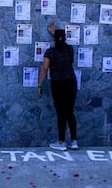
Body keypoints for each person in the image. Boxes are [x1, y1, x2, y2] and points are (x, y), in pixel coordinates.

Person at [38, 22, 79, 151]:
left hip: (58, 84)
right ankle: (74, 141)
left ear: (54, 39)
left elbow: (45, 69)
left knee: (61, 113)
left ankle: (61, 142)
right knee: (70, 112)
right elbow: (63, 45)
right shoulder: (70, 49)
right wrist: (56, 34)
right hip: (71, 83)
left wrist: (39, 85)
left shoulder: (50, 52)